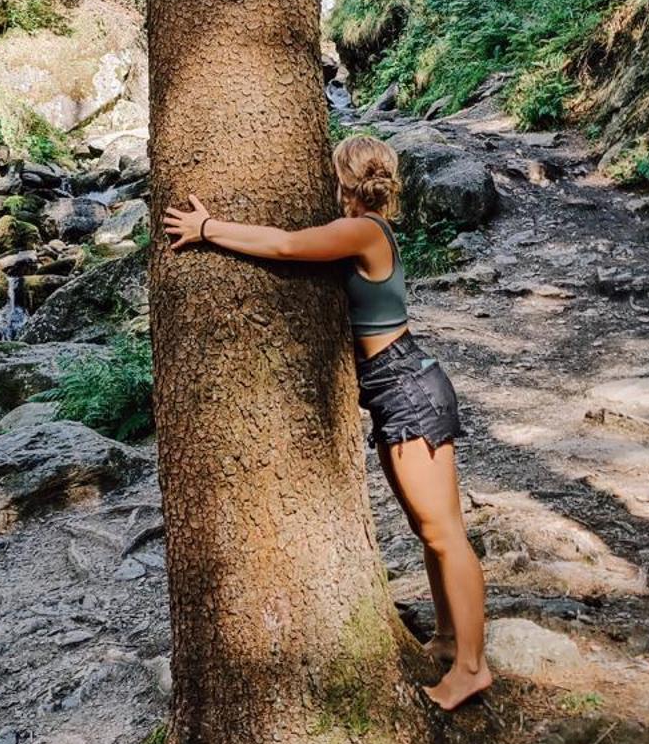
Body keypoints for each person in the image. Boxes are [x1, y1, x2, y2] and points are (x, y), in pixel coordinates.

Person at [162, 134, 490, 710]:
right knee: (429, 531)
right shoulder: (368, 231)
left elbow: (288, 246)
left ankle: (471, 667)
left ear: (343, 180)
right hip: (397, 387)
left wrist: (208, 229)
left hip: (407, 387)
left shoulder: (364, 230)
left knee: (444, 533)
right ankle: (443, 639)